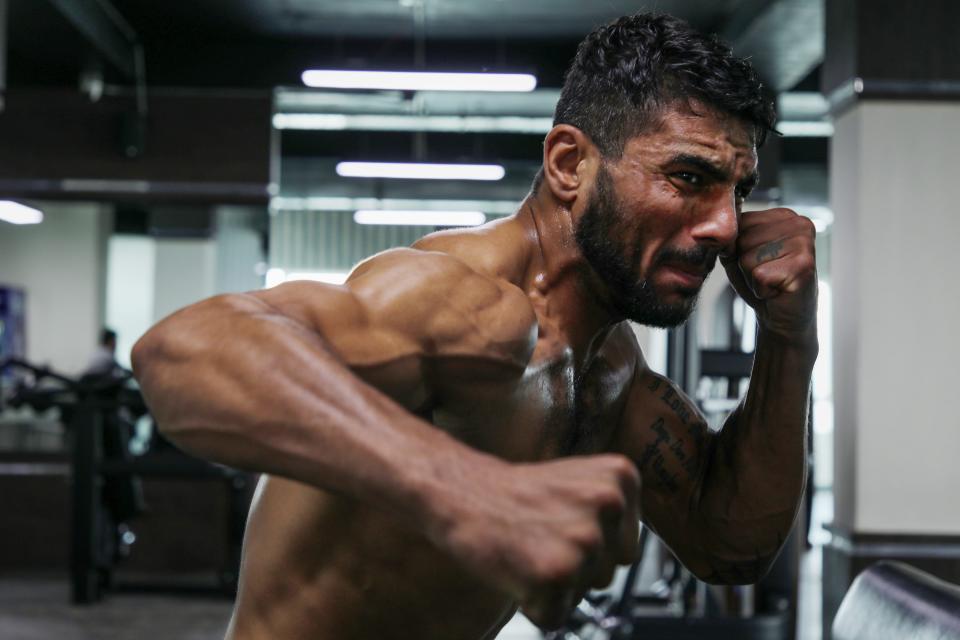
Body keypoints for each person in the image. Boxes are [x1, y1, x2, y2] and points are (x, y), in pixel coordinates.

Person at [132, 12, 818, 640]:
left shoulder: (611, 365)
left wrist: (790, 339)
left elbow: (729, 545)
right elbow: (180, 351)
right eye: (689, 176)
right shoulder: (461, 303)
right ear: (570, 165)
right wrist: (466, 491)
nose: (725, 225)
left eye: (740, 191)